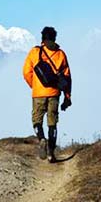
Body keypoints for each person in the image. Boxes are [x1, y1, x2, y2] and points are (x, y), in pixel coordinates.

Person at [22, 26, 72, 162]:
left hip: (38, 93)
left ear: (42, 38)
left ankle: (41, 139)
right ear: (54, 38)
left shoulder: (35, 52)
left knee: (37, 120)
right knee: (52, 123)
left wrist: (35, 85)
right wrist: (67, 97)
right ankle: (51, 153)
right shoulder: (61, 54)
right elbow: (67, 77)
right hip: (54, 93)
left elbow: (26, 72)